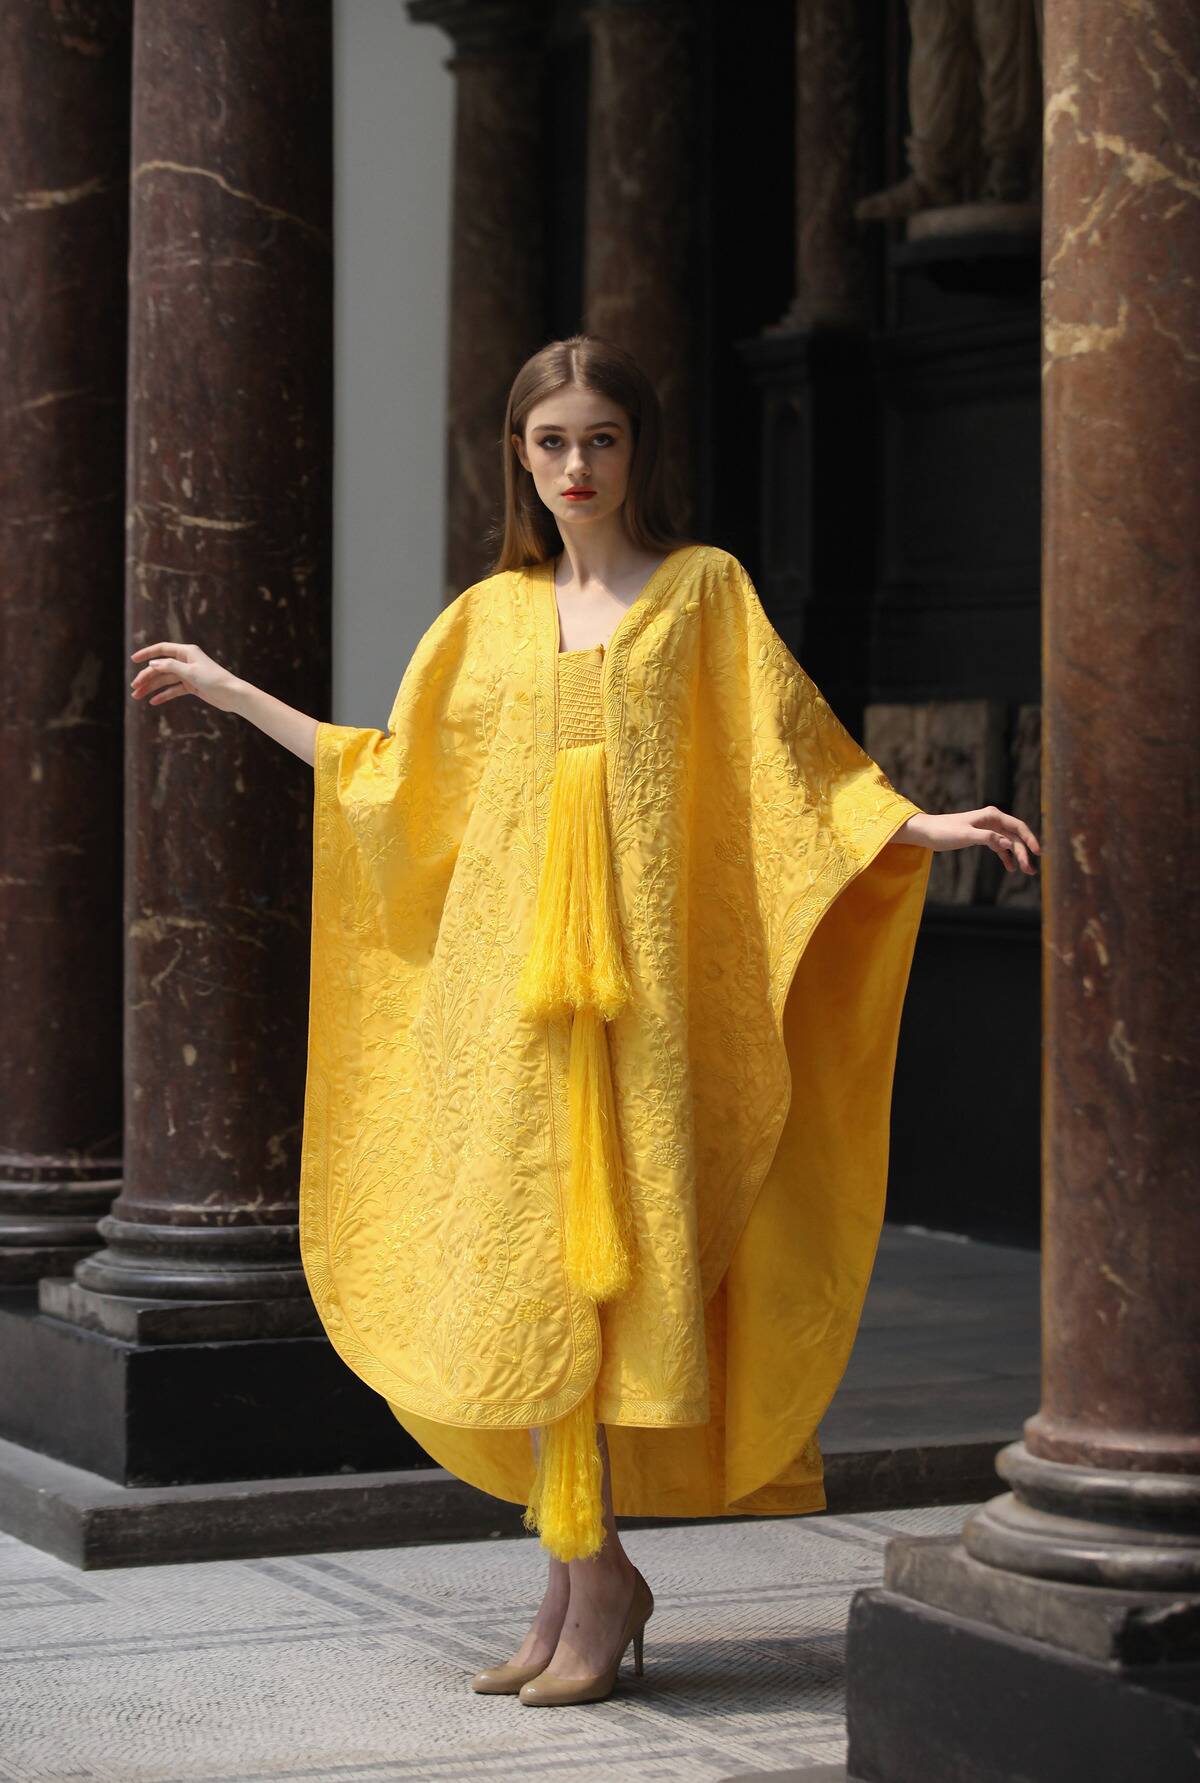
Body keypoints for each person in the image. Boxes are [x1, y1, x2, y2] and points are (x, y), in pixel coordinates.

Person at [129, 334, 1039, 1708]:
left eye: (599, 439)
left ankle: (595, 1575)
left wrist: (922, 826)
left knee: (618, 1277)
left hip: (651, 1014)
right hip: (517, 1018)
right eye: (549, 442)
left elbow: (790, 771)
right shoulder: (488, 617)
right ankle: (577, 1573)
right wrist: (232, 691)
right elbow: (389, 779)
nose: (573, 466)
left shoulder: (703, 594)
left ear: (637, 450)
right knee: (534, 1272)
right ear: (519, 454)